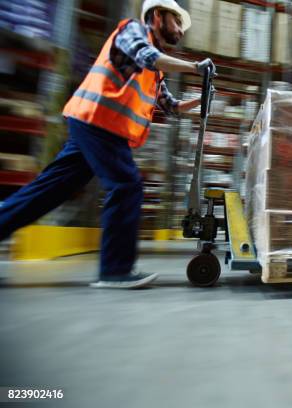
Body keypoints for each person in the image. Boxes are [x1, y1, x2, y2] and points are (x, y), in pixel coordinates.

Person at [0, 0, 215, 289]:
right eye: (176, 20)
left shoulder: (156, 68)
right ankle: (115, 271)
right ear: (157, 16)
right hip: (98, 121)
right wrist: (194, 67)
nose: (180, 29)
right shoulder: (132, 31)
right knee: (126, 185)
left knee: (48, 191)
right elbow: (146, 55)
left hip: (95, 124)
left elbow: (171, 106)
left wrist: (200, 100)